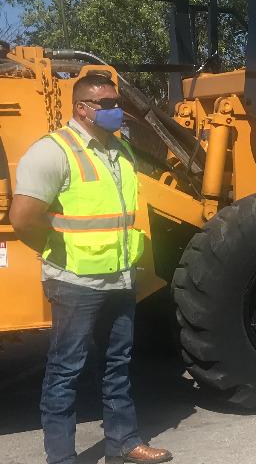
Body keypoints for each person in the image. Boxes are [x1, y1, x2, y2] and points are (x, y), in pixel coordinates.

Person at [9, 74, 172, 464]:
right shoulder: (53, 152)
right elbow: (23, 218)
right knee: (66, 370)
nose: (116, 109)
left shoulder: (119, 150)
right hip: (74, 282)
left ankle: (124, 442)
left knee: (117, 363)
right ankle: (61, 457)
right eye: (106, 103)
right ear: (82, 108)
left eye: (117, 101)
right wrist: (55, 250)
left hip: (119, 277)